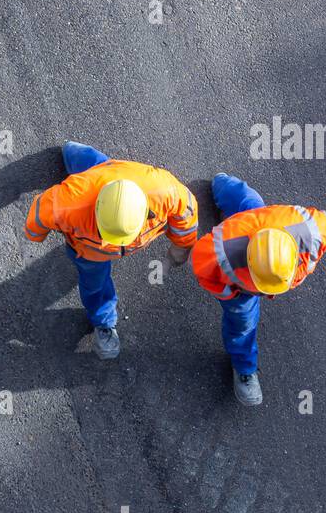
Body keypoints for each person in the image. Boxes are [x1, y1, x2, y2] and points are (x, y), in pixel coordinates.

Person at [24, 141, 198, 358]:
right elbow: (39, 213)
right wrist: (35, 235)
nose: (114, 244)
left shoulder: (167, 192)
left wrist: (182, 246)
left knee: (98, 166)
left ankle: (74, 152)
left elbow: (187, 214)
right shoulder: (68, 201)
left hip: (108, 179)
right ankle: (103, 321)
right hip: (89, 252)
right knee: (94, 282)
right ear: (96, 207)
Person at [190, 173, 326, 405]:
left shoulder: (313, 231)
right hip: (250, 233)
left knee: (248, 202)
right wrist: (232, 296)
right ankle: (244, 367)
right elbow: (203, 271)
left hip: (263, 223)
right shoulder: (219, 250)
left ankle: (223, 183)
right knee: (242, 323)